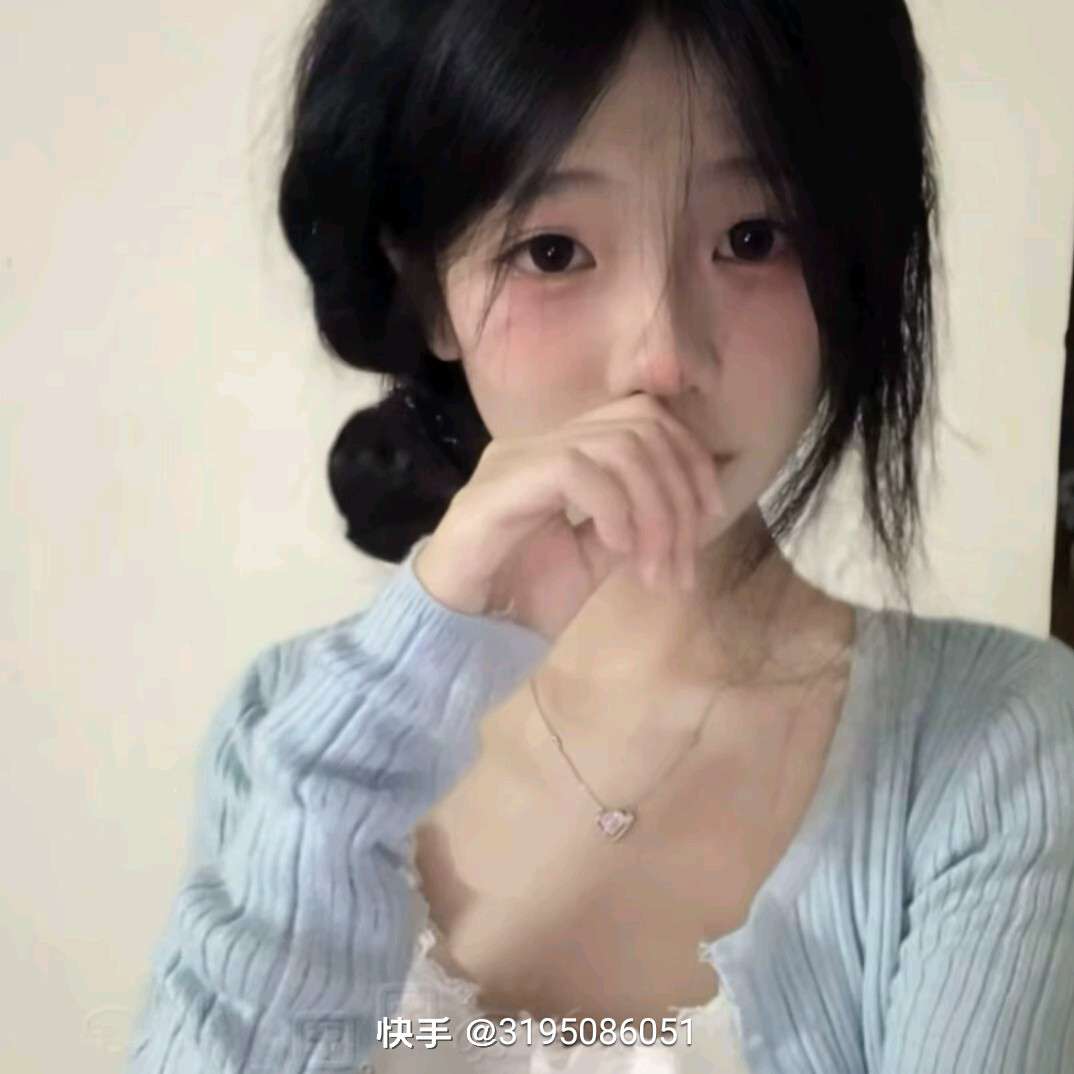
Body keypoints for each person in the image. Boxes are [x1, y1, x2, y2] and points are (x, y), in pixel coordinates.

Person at [125, 2, 1074, 1071]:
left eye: (753, 237)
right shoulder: (289, 735)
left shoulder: (1002, 748)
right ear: (428, 290)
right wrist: (395, 689)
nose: (662, 356)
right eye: (554, 249)